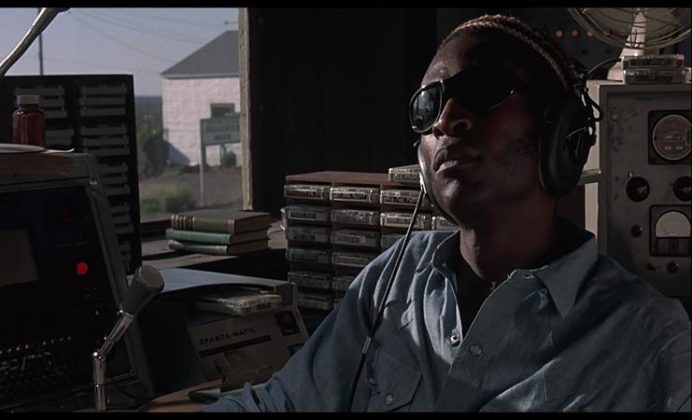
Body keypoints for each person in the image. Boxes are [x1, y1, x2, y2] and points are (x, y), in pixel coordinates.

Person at [204, 14, 691, 412]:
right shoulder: (393, 281)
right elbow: (281, 403)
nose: (446, 119)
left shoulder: (650, 338)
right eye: (428, 106)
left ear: (563, 133)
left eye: (483, 89)